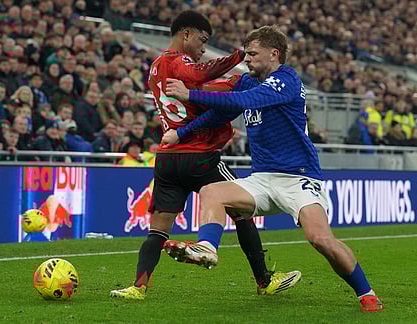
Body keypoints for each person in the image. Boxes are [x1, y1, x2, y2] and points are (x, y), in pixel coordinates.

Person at [162, 25, 383, 311]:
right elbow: (223, 113)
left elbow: (246, 101)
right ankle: (207, 248)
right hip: (264, 178)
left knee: (320, 240)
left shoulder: (287, 79)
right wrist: (182, 133)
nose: (248, 58)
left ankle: (366, 293)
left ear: (273, 53)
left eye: (253, 53)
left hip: (299, 177)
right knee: (211, 192)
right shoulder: (247, 82)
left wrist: (190, 95)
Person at [109, 11, 300, 301]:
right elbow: (199, 79)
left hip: (169, 157)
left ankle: (138, 287)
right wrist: (237, 59)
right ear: (186, 34)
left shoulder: (156, 68)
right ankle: (265, 281)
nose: (203, 48)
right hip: (201, 157)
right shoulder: (180, 63)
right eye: (202, 40)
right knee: (242, 212)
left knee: (159, 228)